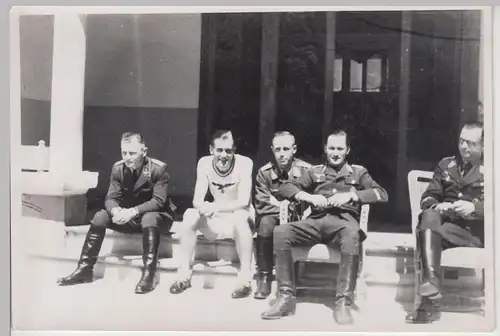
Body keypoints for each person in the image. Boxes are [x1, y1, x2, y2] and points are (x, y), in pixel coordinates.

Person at [260, 129, 388, 324]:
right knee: (281, 231)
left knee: (353, 234)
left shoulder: (358, 172)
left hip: (343, 224)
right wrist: (309, 197)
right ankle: (286, 298)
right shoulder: (315, 172)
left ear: (347, 150)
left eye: (340, 148)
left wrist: (351, 196)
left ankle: (343, 302)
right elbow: (286, 187)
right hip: (316, 222)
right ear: (326, 149)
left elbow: (381, 193)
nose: (335, 153)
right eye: (331, 148)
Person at [57, 132, 176, 294]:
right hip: (129, 217)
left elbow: (158, 201)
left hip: (157, 219)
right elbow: (110, 198)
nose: (128, 157)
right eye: (124, 153)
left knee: (149, 217)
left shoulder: (158, 169)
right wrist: (116, 210)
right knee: (100, 216)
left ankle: (149, 274)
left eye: (132, 153)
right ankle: (84, 269)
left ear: (144, 151)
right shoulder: (118, 169)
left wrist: (132, 211)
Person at [405, 121, 484, 324]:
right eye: (461, 141)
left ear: (483, 145)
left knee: (426, 234)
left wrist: (474, 208)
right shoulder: (445, 164)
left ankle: (426, 304)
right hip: (445, 227)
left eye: (471, 143)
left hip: (474, 232)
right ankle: (432, 282)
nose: (464, 147)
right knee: (428, 218)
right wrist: (439, 206)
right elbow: (427, 198)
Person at [169, 130, 255, 298]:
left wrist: (215, 207)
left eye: (228, 151)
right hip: (218, 218)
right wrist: (204, 208)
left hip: (240, 217)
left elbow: (244, 201)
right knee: (190, 214)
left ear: (234, 150)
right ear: (211, 150)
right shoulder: (204, 163)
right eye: (219, 150)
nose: (224, 155)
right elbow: (197, 200)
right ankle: (184, 274)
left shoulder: (245, 163)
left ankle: (245, 277)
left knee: (239, 216)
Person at [254, 131, 311, 299]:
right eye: (277, 149)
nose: (281, 154)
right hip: (273, 216)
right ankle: (264, 276)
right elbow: (262, 204)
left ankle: (294, 276)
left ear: (294, 149)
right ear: (272, 150)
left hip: (299, 218)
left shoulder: (306, 170)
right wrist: (282, 208)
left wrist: (289, 209)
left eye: (286, 149)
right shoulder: (264, 173)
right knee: (265, 224)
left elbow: (312, 200)